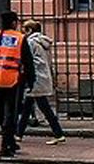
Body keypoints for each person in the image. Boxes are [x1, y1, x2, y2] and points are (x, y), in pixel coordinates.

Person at [0, 12, 34, 158]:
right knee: (11, 114)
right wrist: (31, 80)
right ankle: (5, 145)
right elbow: (28, 61)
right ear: (14, 23)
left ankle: (10, 141)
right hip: (13, 80)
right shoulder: (19, 38)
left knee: (1, 113)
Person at [22, 17, 66, 145]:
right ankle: (18, 134)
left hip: (35, 78)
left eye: (25, 30)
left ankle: (58, 133)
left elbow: (28, 61)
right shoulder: (43, 41)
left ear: (29, 30)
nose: (23, 33)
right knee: (29, 107)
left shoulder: (30, 42)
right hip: (43, 76)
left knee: (43, 108)